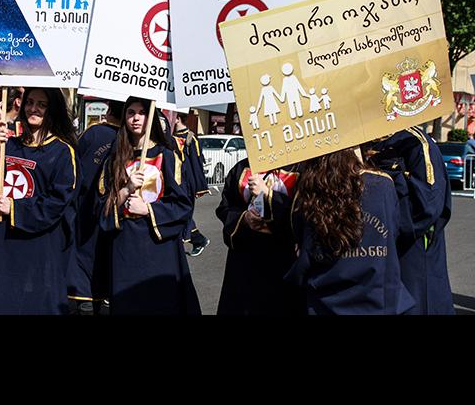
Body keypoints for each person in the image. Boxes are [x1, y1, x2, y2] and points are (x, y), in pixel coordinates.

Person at [0, 87, 79, 314]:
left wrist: (15, 208)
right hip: (1, 238)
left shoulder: (62, 151)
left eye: (41, 104)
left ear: (52, 109)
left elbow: (58, 201)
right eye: (30, 102)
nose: (33, 108)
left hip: (38, 242)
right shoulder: (10, 144)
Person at [96, 97, 200, 315]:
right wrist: (125, 190)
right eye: (130, 112)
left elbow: (182, 204)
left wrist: (148, 210)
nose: (136, 118)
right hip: (124, 247)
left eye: (142, 113)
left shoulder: (167, 155)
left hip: (158, 248)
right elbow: (100, 207)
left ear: (151, 117)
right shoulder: (114, 159)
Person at [285, 148, 415, 315]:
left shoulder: (310, 188)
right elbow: (396, 232)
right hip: (379, 300)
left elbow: (303, 249)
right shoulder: (383, 184)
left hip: (327, 301)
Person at [363, 126, 455, 314]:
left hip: (412, 255)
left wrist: (389, 180)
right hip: (376, 260)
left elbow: (426, 207)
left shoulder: (414, 141)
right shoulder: (360, 140)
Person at [215, 157, 304, 315]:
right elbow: (225, 207)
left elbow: (304, 214)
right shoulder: (241, 168)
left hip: (283, 260)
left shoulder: (302, 169)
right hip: (245, 259)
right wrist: (244, 218)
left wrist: (268, 195)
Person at [67, 99, 123, 314]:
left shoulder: (93, 133)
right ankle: (98, 297)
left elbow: (74, 162)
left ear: (109, 111)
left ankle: (85, 298)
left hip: (85, 204)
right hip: (112, 208)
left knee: (84, 251)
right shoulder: (128, 138)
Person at [169, 111, 211, 257]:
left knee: (182, 213)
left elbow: (196, 163)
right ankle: (198, 240)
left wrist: (199, 187)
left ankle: (194, 241)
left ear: (177, 119)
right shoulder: (170, 137)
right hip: (175, 182)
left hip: (187, 184)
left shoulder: (190, 138)